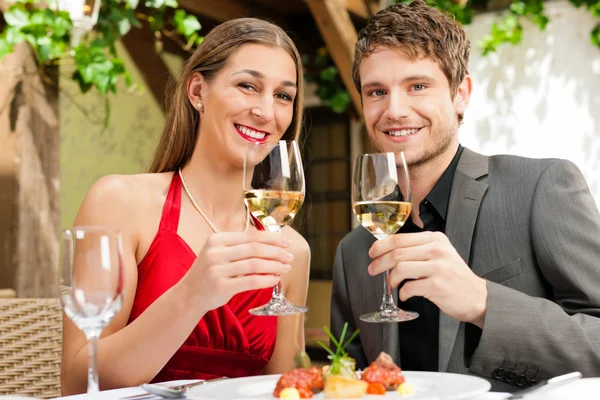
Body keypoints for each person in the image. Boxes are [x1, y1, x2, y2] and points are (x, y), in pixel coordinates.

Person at [330, 0, 600, 392]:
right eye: (376, 91)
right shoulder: (354, 252)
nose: (394, 109)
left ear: (461, 94)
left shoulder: (541, 186)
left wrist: (483, 303)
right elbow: (348, 381)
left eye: (417, 86)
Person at [61, 18, 310, 395]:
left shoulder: (292, 250)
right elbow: (78, 383)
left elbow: (286, 388)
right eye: (247, 86)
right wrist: (192, 295)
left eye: (283, 96)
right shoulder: (118, 203)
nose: (265, 111)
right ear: (197, 91)